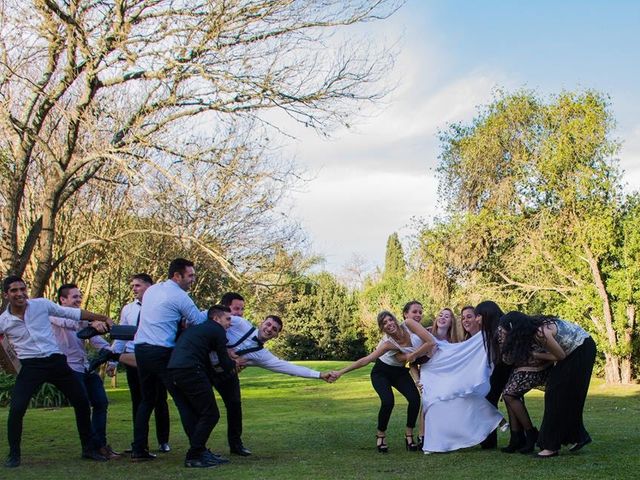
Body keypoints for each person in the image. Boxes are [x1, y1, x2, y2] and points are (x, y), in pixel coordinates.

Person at [0, 275, 112, 468]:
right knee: (17, 409)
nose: (20, 294)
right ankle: (14, 454)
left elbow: (72, 314)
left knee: (82, 401)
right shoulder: (3, 321)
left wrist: (102, 318)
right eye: (14, 291)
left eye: (22, 289)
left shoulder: (41, 305)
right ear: (6, 295)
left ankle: (88, 448)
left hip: (56, 362)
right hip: (30, 366)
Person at [213, 294, 334, 456]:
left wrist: (320, 375)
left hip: (226, 375)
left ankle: (236, 445)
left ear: (276, 336)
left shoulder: (263, 356)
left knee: (235, 405)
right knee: (206, 410)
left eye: (274, 329)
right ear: (261, 322)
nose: (269, 329)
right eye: (268, 324)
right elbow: (213, 319)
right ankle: (198, 448)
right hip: (205, 367)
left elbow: (288, 368)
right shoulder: (240, 324)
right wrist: (225, 350)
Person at [131, 258, 208, 461]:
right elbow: (198, 321)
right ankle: (197, 449)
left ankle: (139, 449)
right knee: (182, 399)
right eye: (190, 275)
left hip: (141, 349)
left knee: (146, 401)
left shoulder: (152, 291)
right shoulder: (180, 296)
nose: (193, 279)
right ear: (177, 275)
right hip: (162, 352)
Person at [331, 310, 436, 453]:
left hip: (399, 372)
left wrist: (413, 357)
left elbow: (418, 352)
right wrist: (340, 372)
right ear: (382, 328)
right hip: (382, 372)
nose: (389, 324)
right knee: (388, 401)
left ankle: (409, 434)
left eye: (390, 320)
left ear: (395, 319)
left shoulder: (408, 325)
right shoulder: (388, 344)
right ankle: (381, 435)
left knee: (414, 399)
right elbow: (366, 360)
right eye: (384, 323)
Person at [406, 306, 504, 454]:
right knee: (428, 403)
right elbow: (412, 362)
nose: (443, 317)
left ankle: (494, 418)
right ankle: (424, 437)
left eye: (447, 316)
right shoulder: (425, 334)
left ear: (451, 321)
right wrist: (417, 380)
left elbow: (461, 357)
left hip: (446, 378)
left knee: (462, 396)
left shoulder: (455, 342)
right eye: (440, 315)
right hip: (430, 376)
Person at [499, 311, 596, 458]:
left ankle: (550, 447)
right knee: (563, 396)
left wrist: (535, 355)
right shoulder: (534, 330)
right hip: (577, 350)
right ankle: (578, 436)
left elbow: (559, 356)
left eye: (505, 331)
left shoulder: (540, 333)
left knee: (555, 395)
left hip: (581, 350)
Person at [50, 283, 120, 459]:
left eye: (80, 296)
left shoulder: (82, 320)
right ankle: (89, 448)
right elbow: (71, 324)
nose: (79, 299)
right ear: (62, 300)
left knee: (101, 403)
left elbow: (95, 339)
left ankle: (100, 445)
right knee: (82, 408)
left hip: (85, 367)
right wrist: (91, 321)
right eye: (74, 297)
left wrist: (112, 354)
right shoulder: (54, 314)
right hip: (69, 368)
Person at [167, 305, 237, 468]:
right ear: (216, 318)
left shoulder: (199, 330)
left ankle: (201, 452)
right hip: (191, 371)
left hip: (174, 371)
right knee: (211, 414)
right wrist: (235, 363)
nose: (229, 323)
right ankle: (193, 456)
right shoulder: (217, 330)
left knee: (197, 414)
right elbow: (224, 362)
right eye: (228, 319)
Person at [109, 273, 170, 454]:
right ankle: (140, 442)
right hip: (132, 357)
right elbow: (121, 335)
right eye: (133, 286)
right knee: (138, 400)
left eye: (138, 285)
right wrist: (113, 360)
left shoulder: (161, 307)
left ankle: (163, 440)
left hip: (154, 357)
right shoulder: (128, 309)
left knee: (160, 400)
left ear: (149, 287)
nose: (134, 289)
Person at [498, 326, 551, 454]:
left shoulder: (527, 337)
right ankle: (518, 438)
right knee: (509, 395)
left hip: (538, 370)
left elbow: (537, 357)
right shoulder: (507, 338)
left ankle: (530, 433)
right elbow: (507, 360)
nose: (500, 333)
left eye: (502, 331)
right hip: (520, 371)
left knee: (509, 395)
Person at [472, 301, 514, 449]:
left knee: (508, 400)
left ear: (487, 313)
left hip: (507, 368)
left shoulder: (502, 326)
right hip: (502, 368)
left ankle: (517, 437)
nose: (476, 319)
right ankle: (491, 439)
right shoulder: (494, 328)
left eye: (478, 316)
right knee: (492, 400)